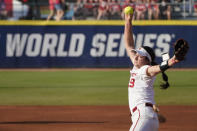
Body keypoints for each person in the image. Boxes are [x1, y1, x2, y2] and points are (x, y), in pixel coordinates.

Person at [124, 8, 181, 131]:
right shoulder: (137, 65)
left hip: (143, 115)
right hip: (149, 116)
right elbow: (129, 45)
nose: (136, 56)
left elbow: (155, 69)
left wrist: (171, 61)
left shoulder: (145, 69)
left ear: (147, 60)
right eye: (137, 54)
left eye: (140, 55)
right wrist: (128, 21)